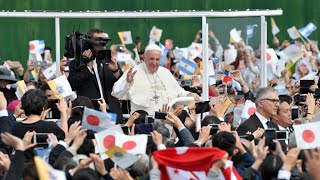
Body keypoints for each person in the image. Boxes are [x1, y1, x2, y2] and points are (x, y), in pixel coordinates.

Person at [111, 43, 200, 114]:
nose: (154, 63)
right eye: (151, 59)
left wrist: (189, 95)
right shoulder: (133, 72)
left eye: (157, 59)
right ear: (144, 58)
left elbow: (178, 92)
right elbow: (116, 93)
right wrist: (127, 82)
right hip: (143, 122)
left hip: (166, 121)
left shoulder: (165, 72)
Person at [68, 28, 123, 124]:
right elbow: (72, 84)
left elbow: (122, 85)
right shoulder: (78, 64)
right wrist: (88, 68)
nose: (102, 46)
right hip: (91, 113)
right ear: (89, 43)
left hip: (112, 112)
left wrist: (115, 70)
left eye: (104, 42)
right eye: (99, 42)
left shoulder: (109, 61)